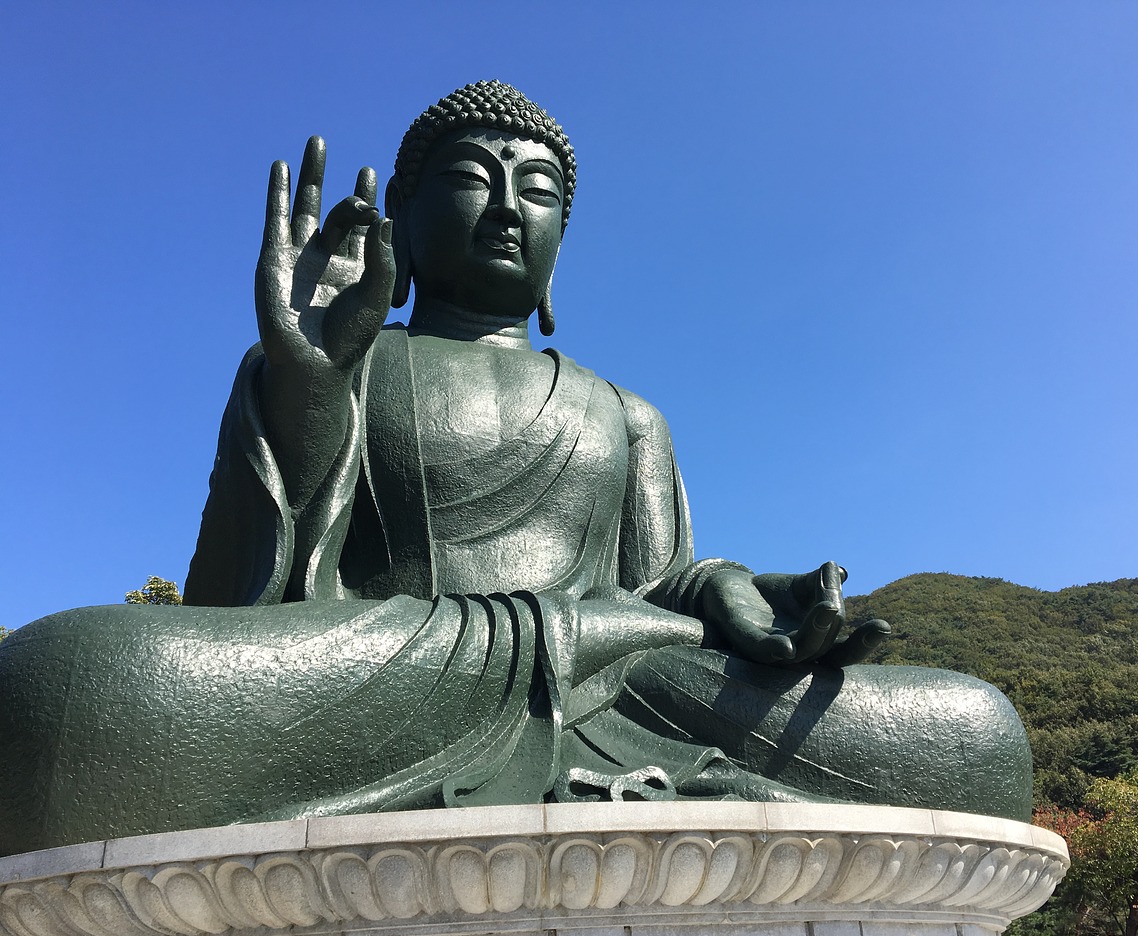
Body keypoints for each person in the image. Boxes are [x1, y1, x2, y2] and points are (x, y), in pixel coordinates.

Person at [0, 83, 1031, 858]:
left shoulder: (625, 413)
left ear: (559, 241)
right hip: (397, 674)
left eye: (536, 191)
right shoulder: (345, 364)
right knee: (64, 688)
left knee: (971, 732)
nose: (505, 207)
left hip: (624, 678)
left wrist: (728, 592)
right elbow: (240, 604)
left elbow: (651, 587)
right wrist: (306, 382)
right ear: (397, 215)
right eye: (468, 180)